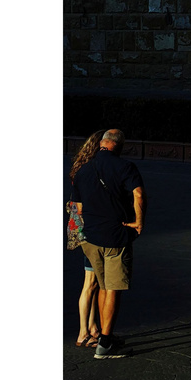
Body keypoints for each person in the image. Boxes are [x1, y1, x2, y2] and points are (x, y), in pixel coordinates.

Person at [68, 128, 145, 359]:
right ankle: (105, 344)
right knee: (112, 289)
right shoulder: (125, 167)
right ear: (120, 146)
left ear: (101, 143)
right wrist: (139, 222)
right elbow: (139, 194)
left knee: (101, 285)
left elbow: (77, 208)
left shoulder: (83, 170)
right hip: (114, 237)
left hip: (91, 239)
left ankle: (103, 335)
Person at [67, 131, 105, 348]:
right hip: (90, 230)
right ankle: (83, 332)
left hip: (83, 229)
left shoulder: (81, 168)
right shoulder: (90, 171)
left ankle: (92, 328)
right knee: (90, 283)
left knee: (95, 282)